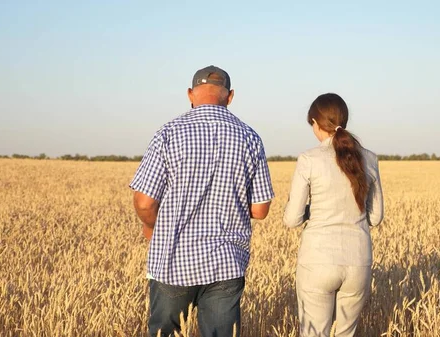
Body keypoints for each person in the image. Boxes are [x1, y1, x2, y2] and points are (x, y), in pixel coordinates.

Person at [130, 65, 274, 337]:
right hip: (226, 263)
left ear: (190, 94)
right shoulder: (250, 138)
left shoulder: (168, 133)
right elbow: (260, 209)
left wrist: (152, 228)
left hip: (173, 261)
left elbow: (145, 202)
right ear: (230, 96)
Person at [283, 93, 384, 337]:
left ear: (316, 123)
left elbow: (292, 219)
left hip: (318, 261)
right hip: (358, 261)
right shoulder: (369, 158)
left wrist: (311, 210)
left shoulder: (309, 159)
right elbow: (376, 217)